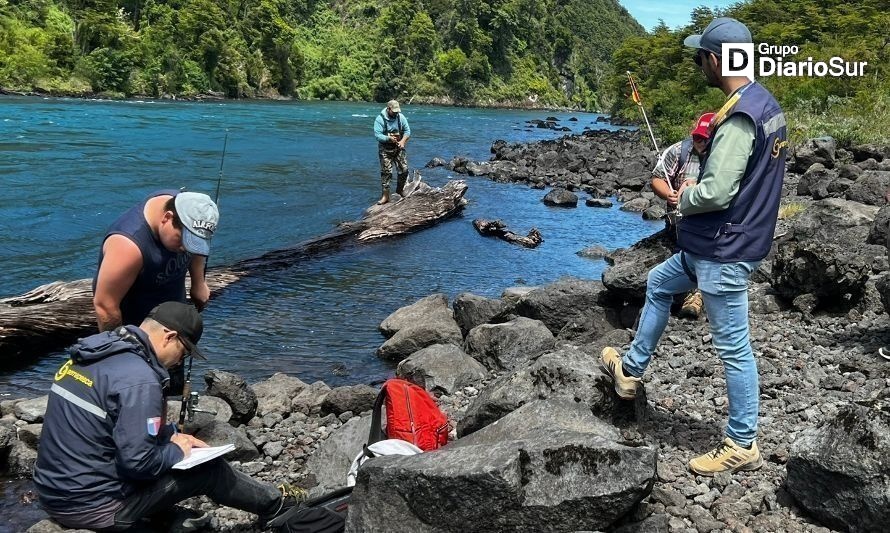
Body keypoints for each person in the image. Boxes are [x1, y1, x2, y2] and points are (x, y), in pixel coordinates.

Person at [601, 17, 787, 475]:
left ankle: (742, 441)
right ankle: (631, 368)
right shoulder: (765, 104)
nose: (697, 63)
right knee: (660, 281)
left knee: (734, 348)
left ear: (716, 59)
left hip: (724, 249)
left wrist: (684, 196)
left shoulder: (741, 115)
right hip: (713, 244)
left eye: (699, 56)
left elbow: (718, 192)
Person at [33, 302, 300, 531]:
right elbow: (138, 465)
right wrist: (175, 451)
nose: (178, 362)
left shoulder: (92, 356)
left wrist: (170, 433)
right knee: (210, 470)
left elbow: (110, 427)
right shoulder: (139, 379)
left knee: (167, 450)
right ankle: (277, 506)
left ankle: (162, 517)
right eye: (183, 353)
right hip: (93, 507)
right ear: (169, 336)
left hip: (52, 493)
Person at [93, 190, 219, 333]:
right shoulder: (128, 247)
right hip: (138, 328)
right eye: (183, 239)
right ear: (167, 218)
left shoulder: (188, 207)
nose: (186, 248)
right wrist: (118, 348)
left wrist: (199, 283)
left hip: (173, 314)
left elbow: (198, 238)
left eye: (193, 243)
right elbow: (105, 305)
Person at [651, 112, 715, 320]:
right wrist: (667, 194)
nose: (700, 141)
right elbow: (657, 179)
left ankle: (695, 296)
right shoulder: (678, 151)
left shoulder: (723, 156)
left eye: (704, 138)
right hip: (678, 218)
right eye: (697, 136)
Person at [373, 100, 411, 205]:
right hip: (385, 149)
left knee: (404, 170)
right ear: (388, 108)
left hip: (398, 147)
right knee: (386, 173)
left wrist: (403, 141)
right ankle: (385, 196)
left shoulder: (401, 117)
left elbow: (407, 131)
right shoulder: (380, 119)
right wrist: (388, 138)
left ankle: (400, 190)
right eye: (394, 111)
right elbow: (377, 135)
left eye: (397, 111)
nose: (395, 113)